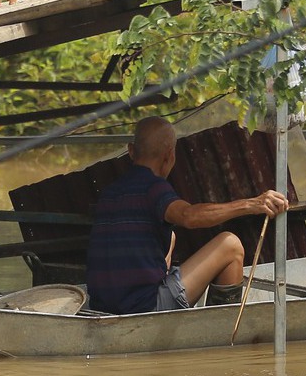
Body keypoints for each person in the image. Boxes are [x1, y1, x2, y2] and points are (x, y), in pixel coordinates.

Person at [84, 117, 290, 315]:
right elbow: (188, 216)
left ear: (130, 151)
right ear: (170, 156)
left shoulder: (109, 193)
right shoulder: (154, 188)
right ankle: (219, 334)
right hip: (144, 308)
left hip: (102, 309)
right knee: (231, 246)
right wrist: (252, 204)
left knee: (171, 237)